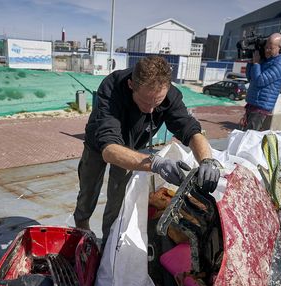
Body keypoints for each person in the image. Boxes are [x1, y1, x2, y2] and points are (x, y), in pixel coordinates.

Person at [73, 55, 220, 244]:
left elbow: (191, 130)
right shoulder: (111, 88)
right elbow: (109, 150)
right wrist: (155, 163)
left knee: (119, 200)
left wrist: (207, 160)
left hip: (133, 147)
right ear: (131, 85)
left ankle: (109, 246)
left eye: (157, 103)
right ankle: (82, 228)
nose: (151, 110)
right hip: (99, 144)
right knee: (88, 188)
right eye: (145, 102)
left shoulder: (170, 95)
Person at [242, 33, 281, 131]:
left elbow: (259, 81)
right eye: (266, 47)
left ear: (280, 47)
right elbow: (250, 78)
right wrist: (251, 63)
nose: (267, 50)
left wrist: (257, 63)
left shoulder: (279, 64)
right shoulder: (265, 60)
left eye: (271, 48)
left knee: (249, 136)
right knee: (246, 135)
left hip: (261, 107)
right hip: (253, 103)